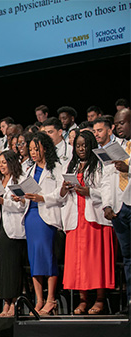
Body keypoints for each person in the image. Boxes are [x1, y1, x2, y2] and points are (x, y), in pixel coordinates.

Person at [60, 131, 114, 315]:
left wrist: (89, 192)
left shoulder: (100, 164)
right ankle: (83, 299)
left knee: (95, 260)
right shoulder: (72, 165)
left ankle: (99, 299)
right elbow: (63, 197)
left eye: (84, 145)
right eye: (78, 145)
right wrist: (64, 189)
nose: (81, 149)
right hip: (76, 219)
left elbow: (107, 190)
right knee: (79, 262)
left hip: (93, 218)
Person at [18, 131, 64, 315]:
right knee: (34, 259)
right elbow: (26, 193)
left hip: (46, 217)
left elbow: (62, 193)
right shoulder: (29, 170)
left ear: (45, 148)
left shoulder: (56, 168)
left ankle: (51, 299)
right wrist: (19, 198)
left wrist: (42, 197)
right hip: (31, 215)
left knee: (47, 257)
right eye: (30, 150)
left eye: (36, 149)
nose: (33, 153)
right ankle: (39, 300)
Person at [0, 151, 27, 317]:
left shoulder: (20, 180)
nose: (1, 166)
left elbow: (22, 205)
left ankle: (14, 302)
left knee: (13, 267)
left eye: (4, 162)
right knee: (2, 267)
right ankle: (5, 302)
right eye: (0, 163)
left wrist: (4, 201)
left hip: (13, 228)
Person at [101, 108, 131, 309]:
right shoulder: (113, 147)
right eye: (117, 124)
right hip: (119, 210)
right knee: (128, 258)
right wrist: (107, 204)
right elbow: (105, 179)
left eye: (122, 122)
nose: (118, 126)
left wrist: (128, 169)